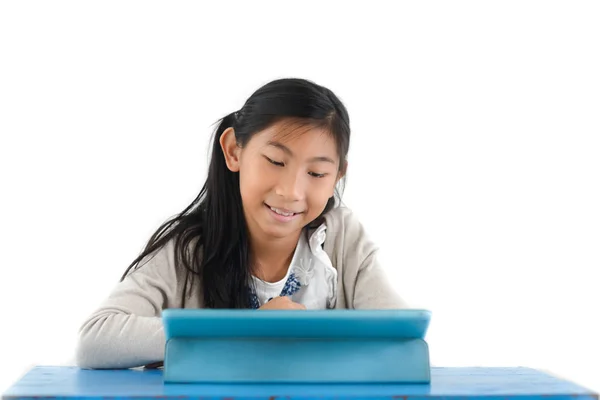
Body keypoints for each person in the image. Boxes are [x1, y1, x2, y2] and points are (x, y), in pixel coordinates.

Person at [75, 78, 409, 369]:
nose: (291, 191)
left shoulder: (341, 239)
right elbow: (96, 339)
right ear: (234, 151)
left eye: (317, 173)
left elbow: (400, 339)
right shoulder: (189, 249)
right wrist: (248, 328)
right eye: (275, 161)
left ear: (338, 175)